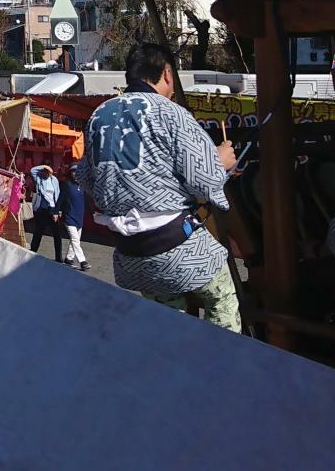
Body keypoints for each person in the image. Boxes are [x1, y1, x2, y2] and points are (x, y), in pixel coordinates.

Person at [77, 41, 242, 329]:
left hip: (130, 250)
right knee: (222, 299)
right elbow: (205, 184)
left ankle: (170, 359)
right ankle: (223, 365)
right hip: (177, 245)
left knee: (167, 318)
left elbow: (86, 178)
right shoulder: (171, 113)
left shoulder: (99, 116)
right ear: (167, 74)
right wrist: (221, 162)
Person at [27, 163, 66, 261]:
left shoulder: (54, 180)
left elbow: (57, 195)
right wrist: (44, 166)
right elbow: (32, 170)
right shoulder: (39, 178)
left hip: (52, 209)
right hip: (42, 208)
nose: (46, 173)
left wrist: (58, 210)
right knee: (38, 232)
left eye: (48, 171)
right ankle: (32, 252)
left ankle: (58, 257)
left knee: (57, 233)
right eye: (45, 171)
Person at [62, 172, 90, 271]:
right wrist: (56, 211)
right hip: (69, 217)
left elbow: (87, 201)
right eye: (73, 172)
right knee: (75, 240)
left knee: (75, 240)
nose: (75, 174)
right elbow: (61, 199)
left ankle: (69, 259)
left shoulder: (82, 187)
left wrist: (93, 212)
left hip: (79, 218)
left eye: (77, 172)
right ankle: (83, 261)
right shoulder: (67, 185)